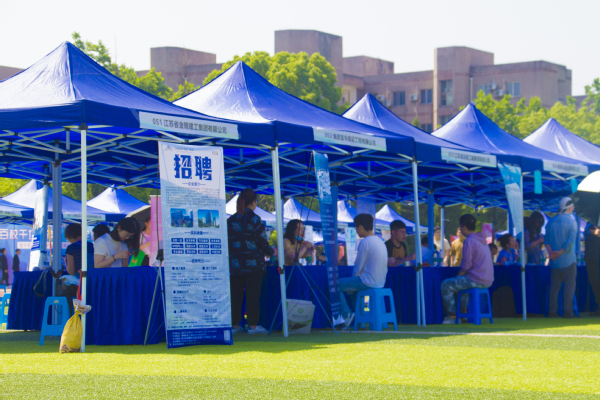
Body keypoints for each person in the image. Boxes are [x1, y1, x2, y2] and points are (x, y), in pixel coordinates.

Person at [228, 188, 274, 334]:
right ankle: (253, 326)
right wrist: (270, 252)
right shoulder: (255, 219)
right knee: (253, 295)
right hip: (253, 264)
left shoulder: (231, 220)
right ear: (254, 202)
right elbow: (262, 241)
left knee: (235, 296)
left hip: (234, 264)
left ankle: (235, 325)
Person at [441, 214, 494, 324]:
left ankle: (452, 315)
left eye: (460, 227)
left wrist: (459, 274)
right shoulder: (482, 240)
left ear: (464, 227)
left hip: (476, 279)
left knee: (446, 285)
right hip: (488, 280)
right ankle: (464, 314)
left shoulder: (469, 241)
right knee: (463, 283)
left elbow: (466, 264)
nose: (460, 229)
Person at [338, 214, 388, 329]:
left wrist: (353, 280)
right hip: (380, 283)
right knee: (353, 291)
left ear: (360, 227)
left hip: (367, 282)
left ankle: (347, 315)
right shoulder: (381, 241)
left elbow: (358, 267)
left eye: (356, 227)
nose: (356, 230)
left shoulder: (365, 242)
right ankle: (361, 321)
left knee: (335, 285)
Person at [545, 197, 578, 318]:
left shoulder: (550, 222)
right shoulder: (572, 222)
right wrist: (560, 252)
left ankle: (552, 311)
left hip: (554, 261)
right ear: (569, 207)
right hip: (568, 260)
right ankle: (568, 311)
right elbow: (570, 242)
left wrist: (551, 253)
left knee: (554, 288)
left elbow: (546, 239)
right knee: (569, 287)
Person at [584, 222, 600, 316]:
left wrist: (597, 232)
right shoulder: (589, 222)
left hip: (597, 257)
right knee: (594, 283)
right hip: (590, 258)